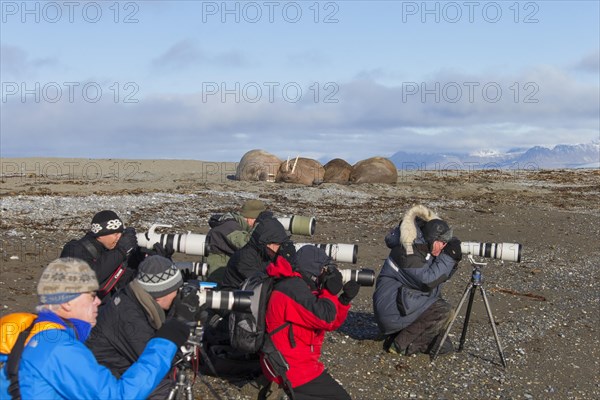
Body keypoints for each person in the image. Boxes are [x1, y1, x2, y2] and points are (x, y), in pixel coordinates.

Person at [0, 257, 195, 400]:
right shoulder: (60, 350)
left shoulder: (29, 331)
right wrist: (165, 341)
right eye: (91, 296)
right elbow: (118, 397)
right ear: (67, 303)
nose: (99, 301)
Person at [86, 255, 202, 399]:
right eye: (176, 290)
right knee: (161, 386)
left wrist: (176, 313)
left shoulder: (134, 297)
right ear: (159, 295)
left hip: (115, 370)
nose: (179, 294)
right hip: (104, 385)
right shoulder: (128, 317)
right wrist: (181, 320)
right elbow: (157, 363)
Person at [259, 243, 360, 400]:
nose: (325, 274)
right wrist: (329, 291)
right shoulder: (292, 289)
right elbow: (325, 318)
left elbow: (329, 323)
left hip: (293, 362)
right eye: (324, 269)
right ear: (313, 270)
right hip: (291, 368)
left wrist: (343, 301)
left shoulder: (299, 286)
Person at [373, 206, 462, 357]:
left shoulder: (423, 248)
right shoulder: (407, 251)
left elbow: (437, 281)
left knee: (443, 347)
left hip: (405, 304)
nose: (444, 246)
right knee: (443, 310)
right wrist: (449, 257)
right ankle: (400, 344)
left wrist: (452, 261)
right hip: (392, 309)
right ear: (432, 237)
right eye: (442, 242)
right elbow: (427, 281)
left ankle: (398, 337)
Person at [60, 210, 144, 299]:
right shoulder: (73, 250)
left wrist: (140, 257)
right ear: (100, 235)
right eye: (115, 234)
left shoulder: (111, 250)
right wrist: (121, 251)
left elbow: (124, 282)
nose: (119, 237)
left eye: (121, 233)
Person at [220, 214, 288, 290]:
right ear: (265, 242)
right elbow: (259, 282)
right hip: (233, 296)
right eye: (276, 244)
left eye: (280, 244)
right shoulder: (245, 257)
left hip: (250, 293)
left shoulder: (266, 254)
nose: (277, 248)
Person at [205, 199, 267, 282]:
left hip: (225, 275)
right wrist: (260, 228)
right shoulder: (229, 227)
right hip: (219, 280)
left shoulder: (235, 225)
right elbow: (246, 244)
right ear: (251, 219)